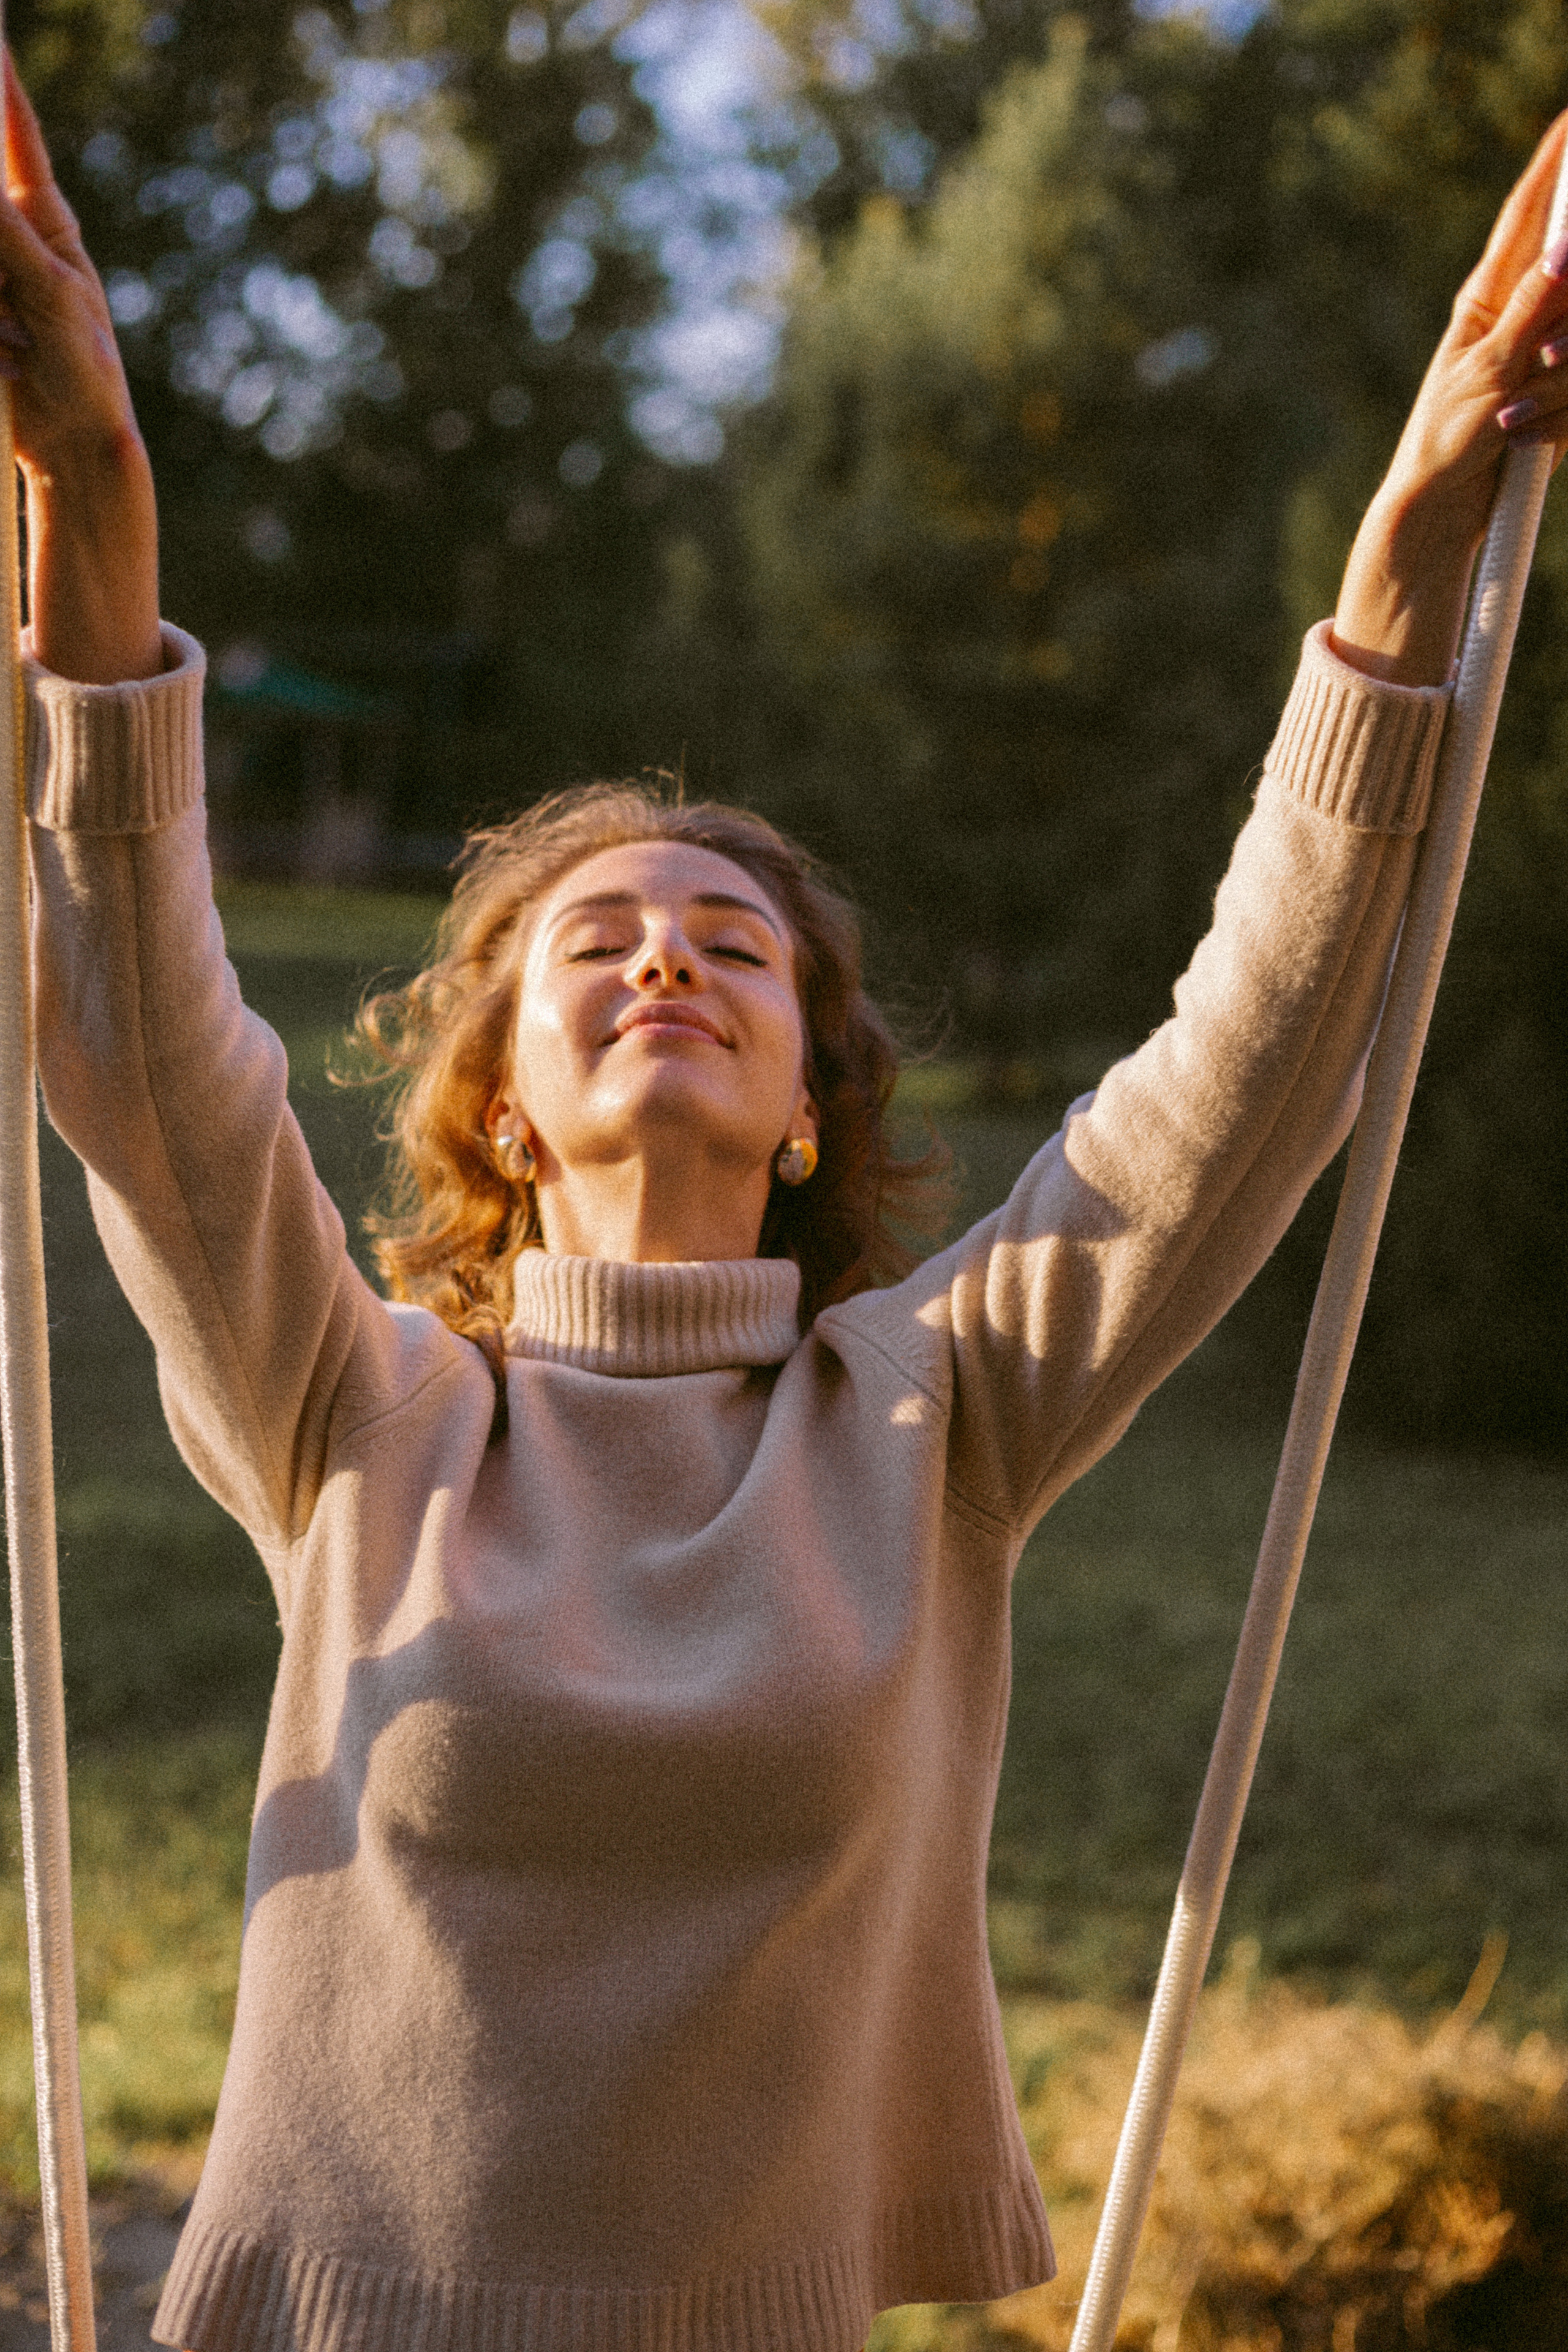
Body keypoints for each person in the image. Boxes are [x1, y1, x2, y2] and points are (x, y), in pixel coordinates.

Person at [7, 46, 1568, 2352]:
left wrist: (1411, 549)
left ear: (813, 1104)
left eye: (737, 946)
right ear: (508, 1108)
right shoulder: (358, 1412)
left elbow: (1248, 1074)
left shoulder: (928, 1424)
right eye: (600, 942)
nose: (670, 955)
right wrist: (96, 497)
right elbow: (148, 1052)